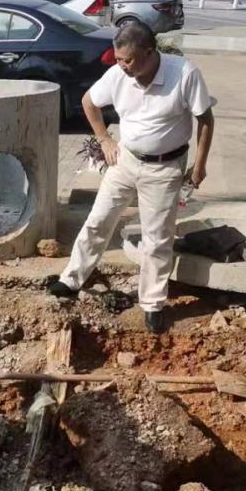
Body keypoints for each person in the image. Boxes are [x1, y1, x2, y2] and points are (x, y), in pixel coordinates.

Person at [47, 21, 215, 333]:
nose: (123, 66)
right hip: (125, 161)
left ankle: (152, 303)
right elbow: (89, 102)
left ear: (150, 53)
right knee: (98, 221)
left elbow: (205, 119)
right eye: (119, 59)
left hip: (164, 169)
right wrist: (104, 140)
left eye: (129, 60)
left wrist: (200, 165)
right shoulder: (117, 76)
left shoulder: (184, 74)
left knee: (157, 239)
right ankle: (72, 279)